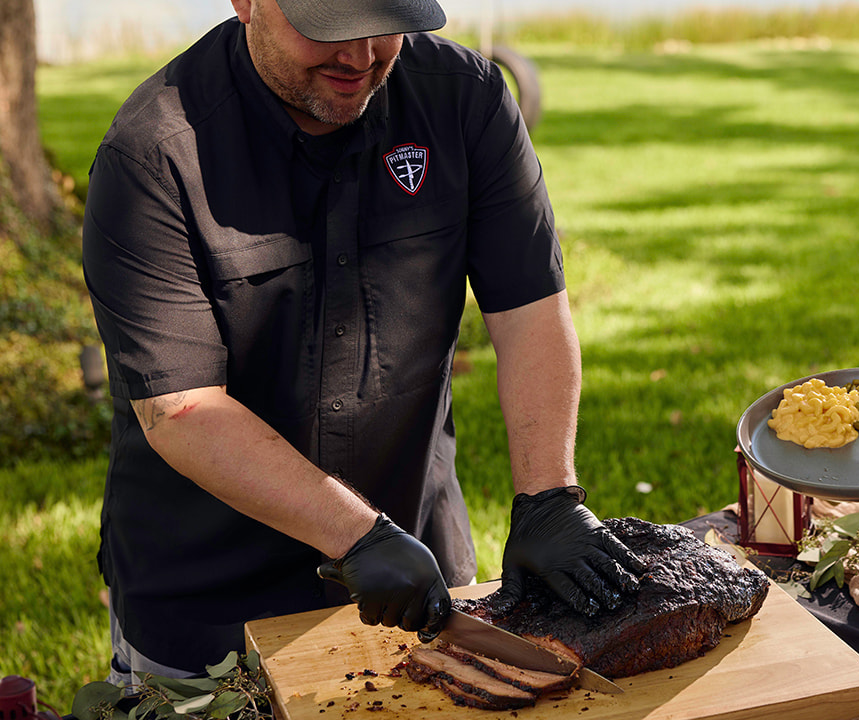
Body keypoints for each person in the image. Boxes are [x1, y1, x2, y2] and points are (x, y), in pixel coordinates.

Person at [80, 0, 644, 684]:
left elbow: (530, 311)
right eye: (327, 27)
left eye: (385, 23)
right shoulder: (155, 152)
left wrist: (547, 495)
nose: (360, 54)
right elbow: (181, 409)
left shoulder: (465, 99)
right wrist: (356, 534)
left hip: (422, 577)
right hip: (208, 605)